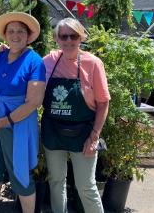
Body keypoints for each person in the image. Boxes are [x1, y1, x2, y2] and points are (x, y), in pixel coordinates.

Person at [0, 12, 46, 213]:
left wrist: (3, 121)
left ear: (28, 35)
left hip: (18, 123)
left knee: (19, 169)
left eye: (20, 31)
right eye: (11, 31)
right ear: (5, 35)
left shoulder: (34, 61)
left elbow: (34, 101)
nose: (15, 35)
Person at [42, 18, 110, 213]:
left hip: (83, 134)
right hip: (53, 132)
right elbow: (25, 70)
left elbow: (103, 102)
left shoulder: (93, 63)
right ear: (57, 39)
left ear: (81, 38)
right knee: (56, 181)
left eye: (74, 36)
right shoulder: (48, 61)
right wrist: (7, 53)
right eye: (64, 36)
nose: (69, 40)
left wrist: (94, 136)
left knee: (86, 186)